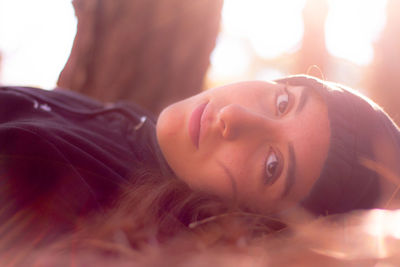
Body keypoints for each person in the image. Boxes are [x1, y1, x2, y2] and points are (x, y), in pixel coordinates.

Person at [0, 75, 399, 245]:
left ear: (255, 225)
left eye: (272, 166)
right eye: (283, 102)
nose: (234, 118)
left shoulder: (57, 187)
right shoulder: (134, 131)